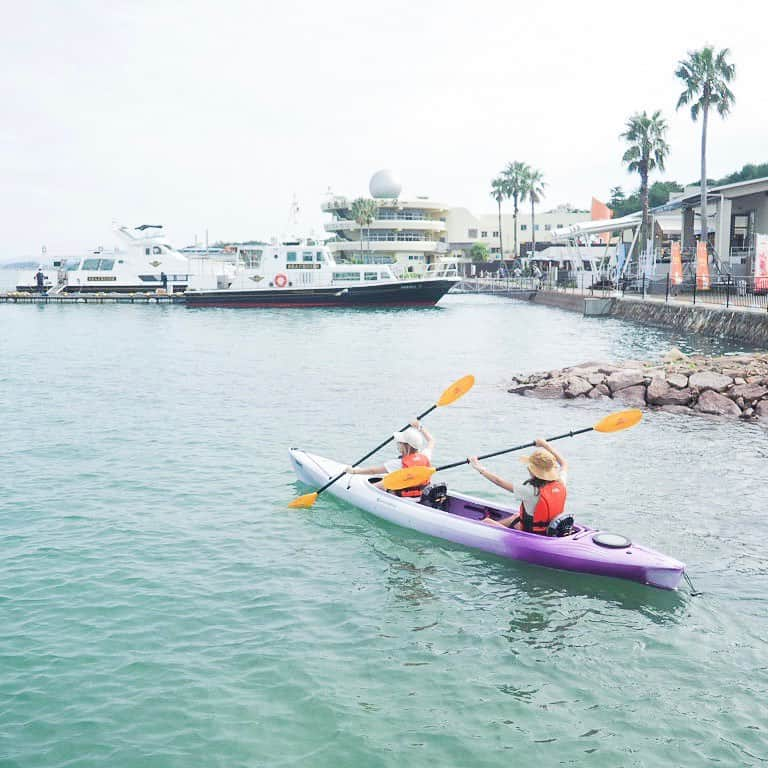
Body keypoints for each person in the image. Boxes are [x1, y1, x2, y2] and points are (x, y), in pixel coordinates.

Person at [468, 438, 568, 534]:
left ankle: (476, 529)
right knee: (516, 516)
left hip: (532, 534)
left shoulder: (530, 491)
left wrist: (478, 467)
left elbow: (499, 481)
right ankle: (498, 525)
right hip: (550, 530)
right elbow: (564, 463)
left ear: (532, 470)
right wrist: (545, 445)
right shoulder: (560, 483)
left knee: (486, 522)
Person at [346, 419, 435, 497]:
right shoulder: (425, 456)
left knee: (382, 484)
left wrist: (354, 471)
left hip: (402, 496)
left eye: (400, 443)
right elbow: (431, 440)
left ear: (405, 447)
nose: (398, 444)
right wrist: (420, 427)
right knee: (388, 480)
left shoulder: (397, 463)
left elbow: (372, 471)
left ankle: (363, 494)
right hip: (421, 494)